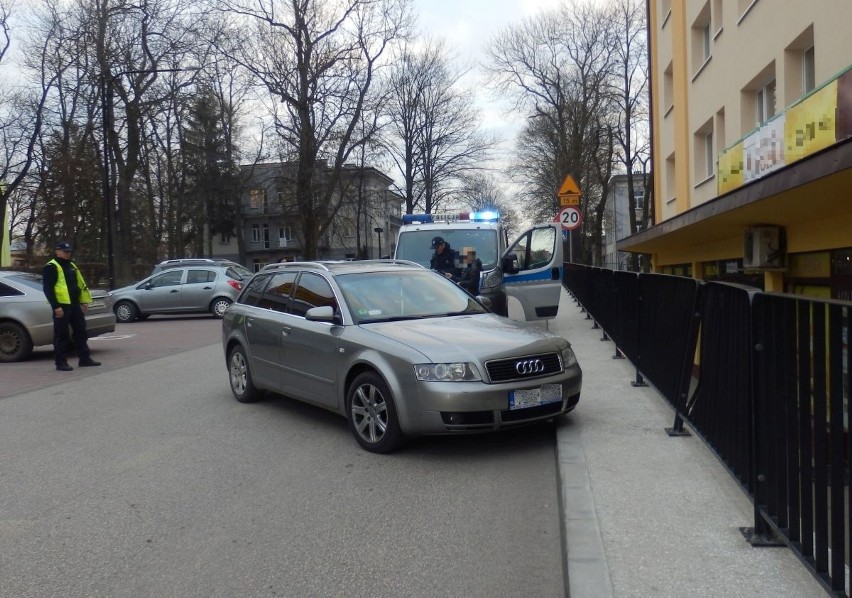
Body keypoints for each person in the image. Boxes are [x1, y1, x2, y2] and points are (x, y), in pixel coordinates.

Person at [43, 241, 101, 371]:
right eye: (65, 251)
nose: (67, 254)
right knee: (61, 335)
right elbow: (48, 289)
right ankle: (61, 362)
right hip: (62, 306)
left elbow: (79, 284)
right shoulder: (51, 266)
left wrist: (83, 301)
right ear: (57, 251)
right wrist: (56, 306)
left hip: (74, 304)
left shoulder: (72, 265)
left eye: (69, 251)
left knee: (81, 332)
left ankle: (84, 359)